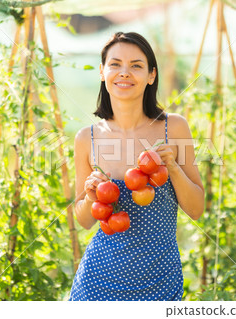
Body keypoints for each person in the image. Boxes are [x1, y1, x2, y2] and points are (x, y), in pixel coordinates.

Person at [69, 32, 204, 301]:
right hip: (98, 282)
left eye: (136, 65)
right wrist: (92, 194)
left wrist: (173, 168)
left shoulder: (174, 127)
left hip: (160, 281)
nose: (125, 73)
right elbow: (82, 220)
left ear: (151, 75)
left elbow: (196, 210)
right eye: (115, 64)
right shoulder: (87, 138)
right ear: (102, 72)